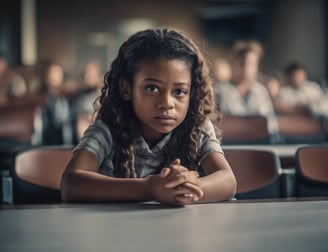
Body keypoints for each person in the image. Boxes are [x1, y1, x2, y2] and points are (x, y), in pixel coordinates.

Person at [61, 27, 237, 206]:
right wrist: (150, 188)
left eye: (179, 91)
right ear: (126, 89)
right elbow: (71, 183)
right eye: (152, 89)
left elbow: (228, 181)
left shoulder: (197, 127)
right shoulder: (107, 129)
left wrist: (186, 188)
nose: (167, 103)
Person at [214, 40, 279, 135]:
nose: (246, 68)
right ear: (234, 64)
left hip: (258, 143)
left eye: (252, 64)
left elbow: (272, 126)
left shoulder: (261, 92)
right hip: (229, 144)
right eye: (242, 63)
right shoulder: (219, 92)